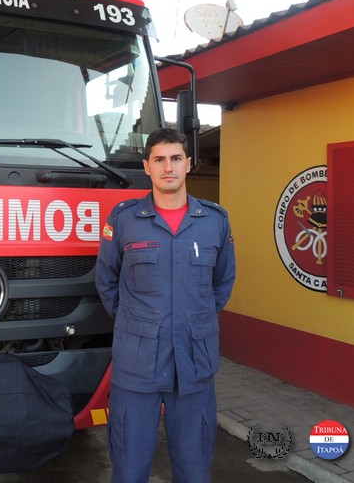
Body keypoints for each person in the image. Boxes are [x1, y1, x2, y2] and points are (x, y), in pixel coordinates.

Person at [95, 128, 236, 483]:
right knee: (129, 469)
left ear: (189, 164)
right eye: (159, 159)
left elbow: (222, 283)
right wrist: (136, 324)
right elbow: (107, 281)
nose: (167, 167)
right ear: (147, 166)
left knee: (194, 469)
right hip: (137, 364)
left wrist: (193, 321)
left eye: (175, 158)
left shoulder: (214, 221)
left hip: (194, 363)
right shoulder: (124, 219)